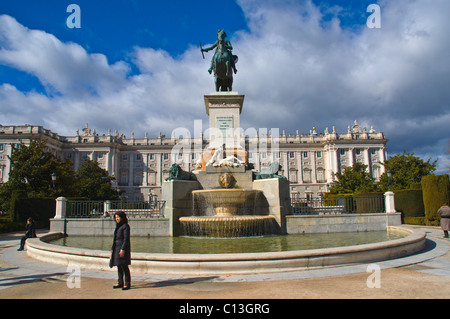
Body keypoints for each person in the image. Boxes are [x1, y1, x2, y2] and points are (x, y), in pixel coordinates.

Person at [109, 211, 131, 290]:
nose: (117, 219)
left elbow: (126, 239)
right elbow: (115, 239)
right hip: (116, 247)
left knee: (124, 266)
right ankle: (120, 282)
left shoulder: (126, 226)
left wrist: (123, 249)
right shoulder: (118, 226)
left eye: (118, 217)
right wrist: (112, 250)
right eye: (115, 218)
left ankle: (127, 283)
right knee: (119, 266)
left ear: (122, 217)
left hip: (122, 248)